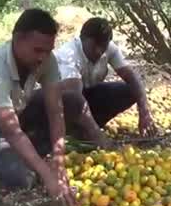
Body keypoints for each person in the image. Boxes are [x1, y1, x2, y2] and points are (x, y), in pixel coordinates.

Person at [0, 9, 76, 206]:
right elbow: (13, 132)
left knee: (72, 100)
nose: (43, 57)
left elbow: (55, 110)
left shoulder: (46, 60)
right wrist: (49, 176)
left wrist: (59, 155)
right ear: (17, 39)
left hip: (13, 115)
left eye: (48, 50)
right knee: (22, 179)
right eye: (37, 50)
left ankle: (24, 157)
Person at [49, 17, 156, 148]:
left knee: (129, 91)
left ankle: (87, 129)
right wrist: (98, 135)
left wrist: (144, 113)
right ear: (82, 39)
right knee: (74, 103)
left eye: (103, 47)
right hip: (62, 104)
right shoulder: (69, 55)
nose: (99, 51)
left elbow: (133, 78)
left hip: (87, 96)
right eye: (94, 46)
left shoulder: (110, 49)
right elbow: (75, 99)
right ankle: (77, 131)